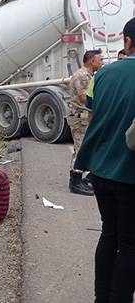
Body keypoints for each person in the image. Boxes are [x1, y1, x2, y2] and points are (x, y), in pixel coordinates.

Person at [74, 17, 135, 303]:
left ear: (127, 42)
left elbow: (93, 107)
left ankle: (102, 298)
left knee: (109, 232)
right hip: (130, 174)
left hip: (100, 169)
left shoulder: (103, 75)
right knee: (130, 243)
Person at [67, 49, 103, 196]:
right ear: (91, 61)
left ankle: (82, 179)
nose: (102, 62)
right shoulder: (82, 76)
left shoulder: (88, 75)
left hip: (84, 117)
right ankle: (75, 182)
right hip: (80, 118)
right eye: (100, 60)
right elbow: (84, 99)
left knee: (84, 148)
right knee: (80, 149)